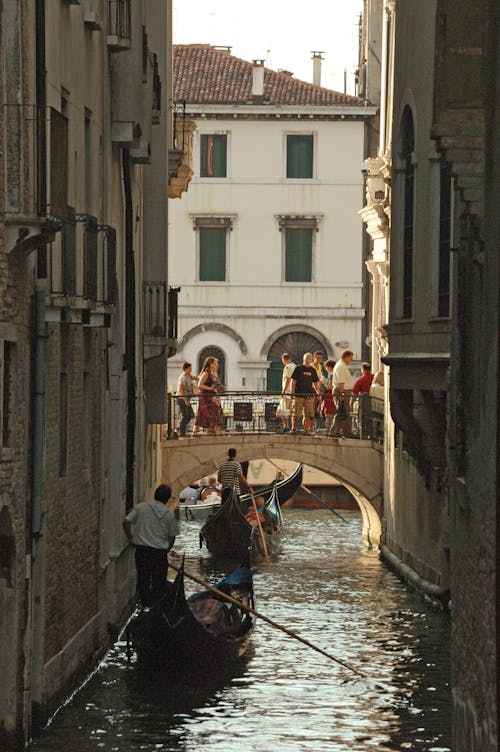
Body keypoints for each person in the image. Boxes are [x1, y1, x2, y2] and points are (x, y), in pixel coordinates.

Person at [122, 484, 179, 608]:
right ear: (167, 499)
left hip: (142, 552)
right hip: (159, 554)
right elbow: (172, 536)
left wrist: (131, 539)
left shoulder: (141, 508)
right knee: (158, 583)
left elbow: (126, 522)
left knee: (143, 580)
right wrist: (167, 550)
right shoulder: (169, 515)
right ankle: (155, 608)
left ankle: (145, 607)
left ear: (155, 495)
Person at [290, 352, 322, 434]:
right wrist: (292, 392)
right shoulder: (298, 368)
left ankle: (306, 430)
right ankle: (293, 428)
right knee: (296, 413)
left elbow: (316, 382)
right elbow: (293, 381)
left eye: (309, 358)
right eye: (306, 358)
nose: (307, 360)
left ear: (311, 359)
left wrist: (318, 392)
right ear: (303, 359)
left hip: (309, 395)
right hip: (298, 394)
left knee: (308, 414)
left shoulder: (312, 370)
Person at [192, 356, 224, 436]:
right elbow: (200, 384)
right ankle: (216, 430)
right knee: (208, 413)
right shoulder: (206, 373)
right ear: (211, 364)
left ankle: (198, 431)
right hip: (206, 396)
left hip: (212, 396)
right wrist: (210, 388)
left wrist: (217, 396)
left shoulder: (213, 374)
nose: (217, 365)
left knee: (214, 412)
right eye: (215, 363)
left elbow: (214, 386)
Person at [329, 349, 354, 438]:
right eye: (350, 358)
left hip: (343, 391)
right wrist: (342, 393)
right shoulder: (341, 366)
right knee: (341, 411)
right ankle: (335, 432)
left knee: (344, 412)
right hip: (342, 391)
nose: (351, 360)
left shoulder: (341, 365)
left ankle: (346, 432)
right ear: (346, 357)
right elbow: (341, 382)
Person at [352, 363, 374, 439]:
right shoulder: (375, 378)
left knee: (363, 418)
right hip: (376, 403)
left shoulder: (361, 379)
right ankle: (373, 434)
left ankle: (364, 434)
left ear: (363, 369)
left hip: (364, 403)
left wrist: (351, 404)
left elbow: (354, 393)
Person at [176, 362, 198, 437]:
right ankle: (181, 432)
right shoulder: (182, 378)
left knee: (190, 415)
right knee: (186, 415)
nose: (191, 370)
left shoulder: (188, 375)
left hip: (186, 399)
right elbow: (181, 390)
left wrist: (200, 377)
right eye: (189, 369)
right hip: (182, 399)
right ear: (185, 369)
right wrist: (185, 400)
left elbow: (193, 378)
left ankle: (179, 428)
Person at [277, 352, 296, 432]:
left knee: (281, 411)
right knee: (290, 411)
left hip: (287, 393)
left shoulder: (288, 367)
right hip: (292, 393)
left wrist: (283, 392)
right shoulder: (295, 366)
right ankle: (290, 426)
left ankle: (287, 426)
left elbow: (288, 380)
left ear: (283, 359)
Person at [322, 358, 336, 434]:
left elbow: (329, 386)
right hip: (329, 395)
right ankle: (330, 430)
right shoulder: (331, 374)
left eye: (326, 367)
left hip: (329, 395)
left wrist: (323, 382)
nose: (326, 368)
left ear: (330, 367)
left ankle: (329, 430)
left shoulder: (332, 375)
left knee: (329, 413)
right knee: (329, 412)